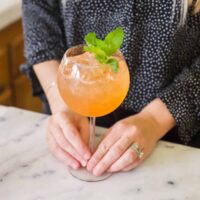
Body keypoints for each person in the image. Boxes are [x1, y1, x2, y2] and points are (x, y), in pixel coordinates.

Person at [22, 0, 200, 177]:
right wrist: (61, 102)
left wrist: (155, 120)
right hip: (74, 109)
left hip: (176, 132)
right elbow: (37, 7)